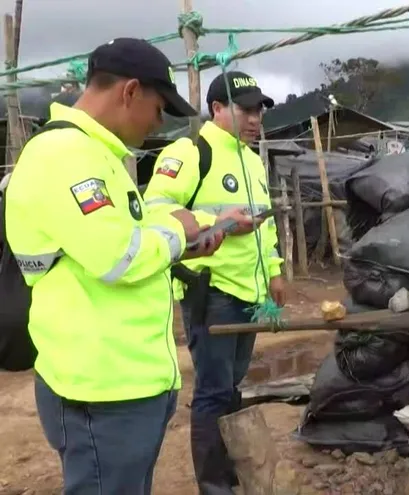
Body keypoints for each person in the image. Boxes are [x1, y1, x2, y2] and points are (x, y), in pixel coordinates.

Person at [3, 38, 231, 494]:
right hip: (100, 392)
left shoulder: (98, 156)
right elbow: (118, 257)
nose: (159, 122)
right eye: (159, 106)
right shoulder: (66, 156)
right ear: (130, 92)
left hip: (122, 386)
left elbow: (127, 233)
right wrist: (178, 236)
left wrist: (192, 233)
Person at [143, 70, 286, 494]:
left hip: (251, 292)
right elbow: (157, 210)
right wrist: (217, 224)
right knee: (212, 393)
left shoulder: (250, 159)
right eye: (245, 110)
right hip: (212, 291)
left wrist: (275, 271)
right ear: (217, 109)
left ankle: (231, 472)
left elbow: (266, 225)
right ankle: (214, 486)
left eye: (259, 110)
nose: (255, 118)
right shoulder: (190, 151)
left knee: (232, 387)